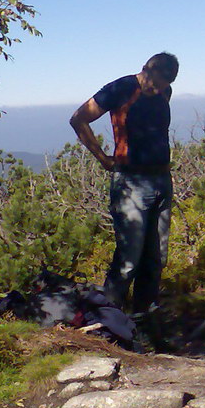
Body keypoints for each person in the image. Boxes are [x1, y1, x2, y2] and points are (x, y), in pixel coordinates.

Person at [70, 52, 179, 336]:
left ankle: (144, 321)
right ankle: (108, 323)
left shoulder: (165, 91)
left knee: (156, 256)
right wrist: (101, 157)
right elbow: (79, 119)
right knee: (128, 258)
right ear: (147, 69)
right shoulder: (121, 88)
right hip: (131, 181)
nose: (159, 89)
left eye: (165, 84)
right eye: (156, 82)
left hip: (161, 180)